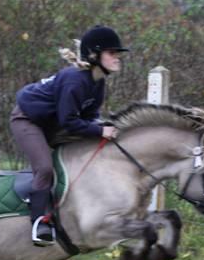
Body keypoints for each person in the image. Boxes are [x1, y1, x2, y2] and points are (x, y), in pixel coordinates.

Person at [10, 26, 128, 246]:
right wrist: (101, 130)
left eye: (117, 54)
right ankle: (40, 223)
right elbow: (70, 122)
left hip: (52, 123)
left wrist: (105, 128)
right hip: (28, 120)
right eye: (112, 53)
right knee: (45, 168)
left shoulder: (98, 82)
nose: (118, 58)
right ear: (94, 55)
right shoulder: (75, 80)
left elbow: (89, 117)